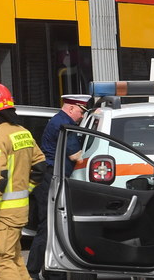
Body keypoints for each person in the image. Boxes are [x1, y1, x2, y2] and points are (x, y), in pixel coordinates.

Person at [0, 81, 40, 280]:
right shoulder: (22, 132)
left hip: (2, 214)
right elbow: (39, 168)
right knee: (14, 258)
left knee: (1, 259)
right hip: (19, 212)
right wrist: (23, 189)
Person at [27, 93, 89, 280]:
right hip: (50, 178)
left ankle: (51, 270)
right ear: (71, 108)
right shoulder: (65, 124)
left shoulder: (60, 120)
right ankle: (32, 271)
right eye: (81, 111)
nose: (82, 116)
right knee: (48, 226)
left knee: (52, 225)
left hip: (51, 177)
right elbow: (76, 156)